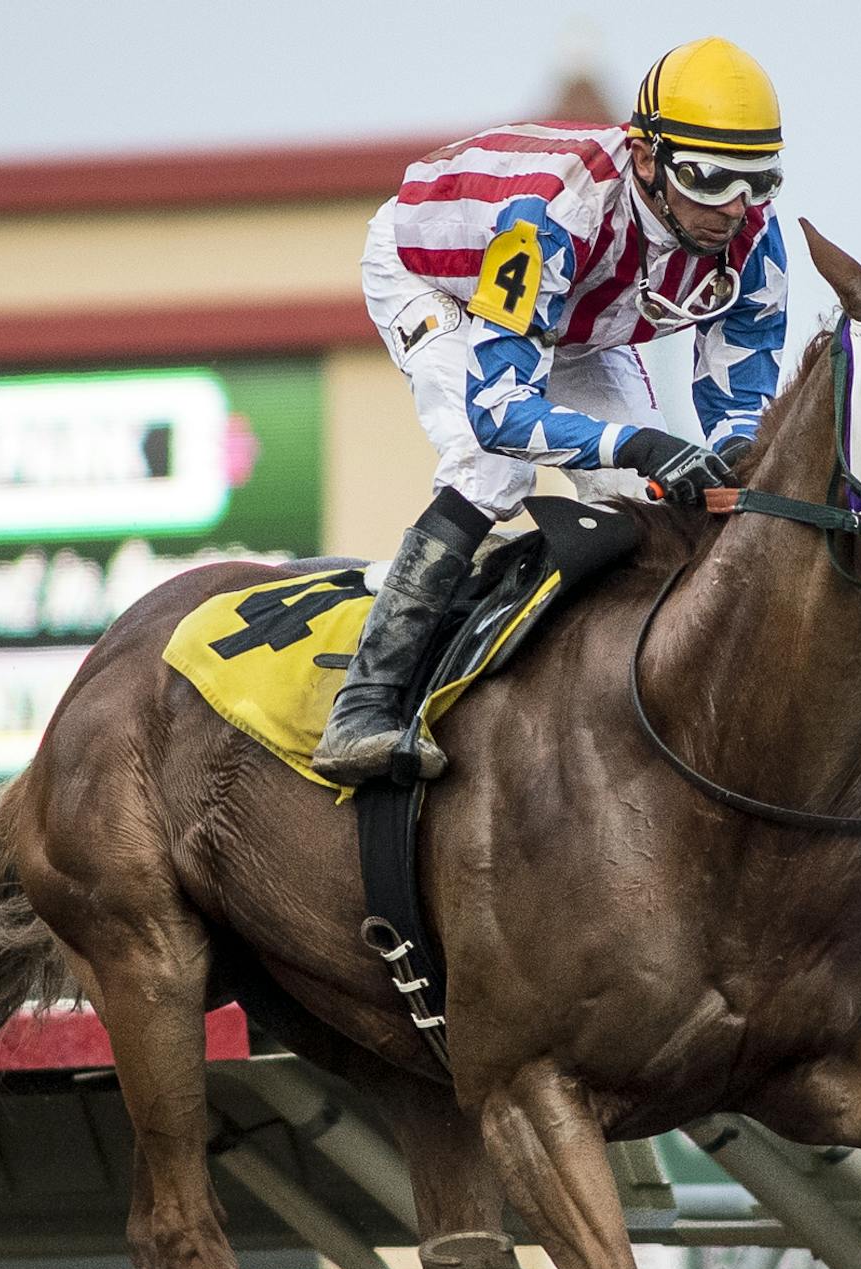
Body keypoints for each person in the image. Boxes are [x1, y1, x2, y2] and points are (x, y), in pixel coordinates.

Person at [313, 37, 789, 785]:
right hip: (439, 279)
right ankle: (362, 707)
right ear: (645, 158)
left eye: (758, 182)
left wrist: (727, 450)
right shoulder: (552, 214)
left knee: (642, 499)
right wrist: (637, 442)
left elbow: (743, 401)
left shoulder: (753, 235)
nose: (735, 208)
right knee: (491, 466)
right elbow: (501, 408)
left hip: (568, 313)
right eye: (709, 178)